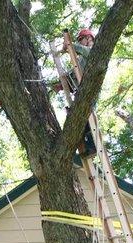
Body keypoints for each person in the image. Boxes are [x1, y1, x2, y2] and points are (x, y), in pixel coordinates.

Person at [53, 28, 97, 158]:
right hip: (81, 92)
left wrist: (70, 45)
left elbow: (83, 50)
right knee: (77, 119)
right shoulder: (81, 61)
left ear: (88, 38)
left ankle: (92, 147)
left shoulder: (94, 51)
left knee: (88, 120)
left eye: (81, 39)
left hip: (90, 91)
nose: (80, 42)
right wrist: (61, 85)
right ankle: (84, 147)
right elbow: (73, 78)